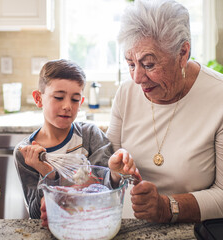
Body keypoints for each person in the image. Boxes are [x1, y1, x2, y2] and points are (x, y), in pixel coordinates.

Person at [106, 0, 223, 223]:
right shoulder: (126, 93)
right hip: (132, 228)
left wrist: (167, 207)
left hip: (198, 231)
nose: (137, 78)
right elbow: (108, 174)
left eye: (148, 64)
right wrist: (116, 172)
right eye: (130, 64)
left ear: (183, 53)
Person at [14, 59, 140, 220]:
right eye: (59, 97)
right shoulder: (25, 153)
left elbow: (104, 191)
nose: (67, 106)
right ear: (38, 98)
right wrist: (47, 174)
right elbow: (36, 214)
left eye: (74, 99)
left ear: (81, 102)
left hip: (93, 226)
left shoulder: (90, 136)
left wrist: (116, 173)